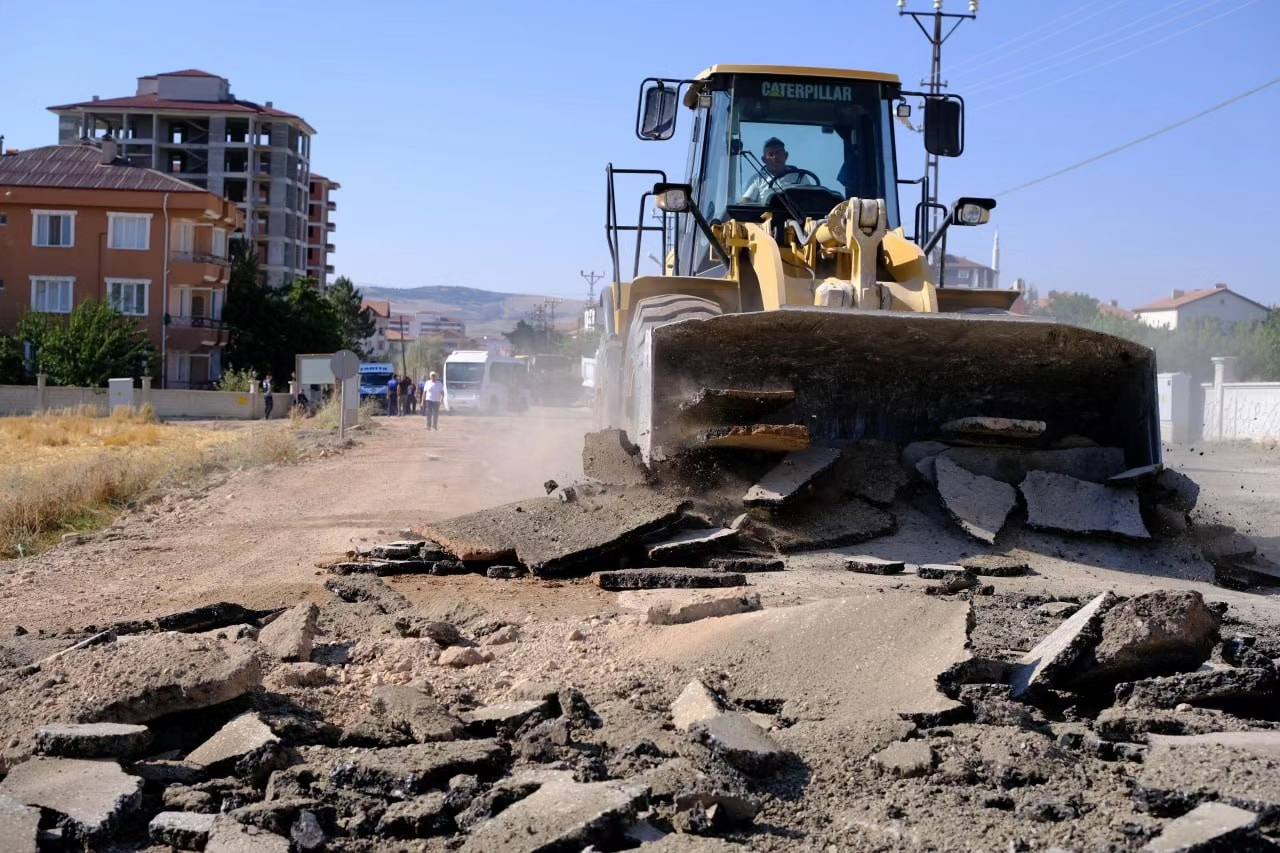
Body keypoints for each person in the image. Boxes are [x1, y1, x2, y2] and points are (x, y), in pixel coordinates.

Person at [740, 137, 815, 204]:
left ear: (786, 156)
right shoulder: (757, 179)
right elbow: (745, 201)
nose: (775, 157)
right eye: (771, 154)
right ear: (764, 160)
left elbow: (811, 201)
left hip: (796, 218)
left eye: (778, 153)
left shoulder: (800, 177)